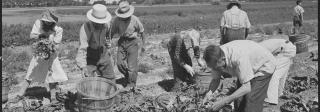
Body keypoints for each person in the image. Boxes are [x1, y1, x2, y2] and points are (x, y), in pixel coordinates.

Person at [203, 40, 276, 112]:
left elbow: (247, 88)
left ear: (223, 59)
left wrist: (225, 101)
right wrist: (208, 94)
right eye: (213, 68)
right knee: (238, 100)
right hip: (247, 66)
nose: (215, 70)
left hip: (262, 66)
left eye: (216, 68)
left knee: (251, 101)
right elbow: (216, 80)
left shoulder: (238, 57)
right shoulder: (215, 58)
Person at [15, 9, 68, 103]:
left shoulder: (58, 30)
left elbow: (57, 45)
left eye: (49, 23)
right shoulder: (38, 23)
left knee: (53, 76)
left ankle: (53, 97)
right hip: (39, 54)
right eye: (45, 22)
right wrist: (41, 36)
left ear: (53, 23)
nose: (47, 24)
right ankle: (20, 94)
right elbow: (32, 36)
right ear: (43, 20)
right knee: (30, 73)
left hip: (51, 55)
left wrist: (52, 46)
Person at [110, 1, 145, 91]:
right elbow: (112, 32)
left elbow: (141, 31)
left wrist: (143, 45)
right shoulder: (117, 20)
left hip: (132, 42)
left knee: (131, 66)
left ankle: (131, 84)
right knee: (119, 63)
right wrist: (108, 42)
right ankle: (128, 77)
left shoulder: (135, 19)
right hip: (122, 41)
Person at [76, 4, 115, 81]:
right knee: (88, 79)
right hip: (90, 54)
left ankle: (109, 92)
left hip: (103, 52)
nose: (99, 24)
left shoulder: (107, 24)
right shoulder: (86, 27)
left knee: (110, 78)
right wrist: (83, 66)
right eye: (97, 22)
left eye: (101, 22)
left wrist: (108, 48)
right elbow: (82, 48)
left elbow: (108, 37)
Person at [260, 39, 296, 105]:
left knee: (274, 74)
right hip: (289, 48)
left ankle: (271, 99)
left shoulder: (258, 49)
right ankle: (279, 93)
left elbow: (263, 61)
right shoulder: (259, 46)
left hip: (285, 50)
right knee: (282, 74)